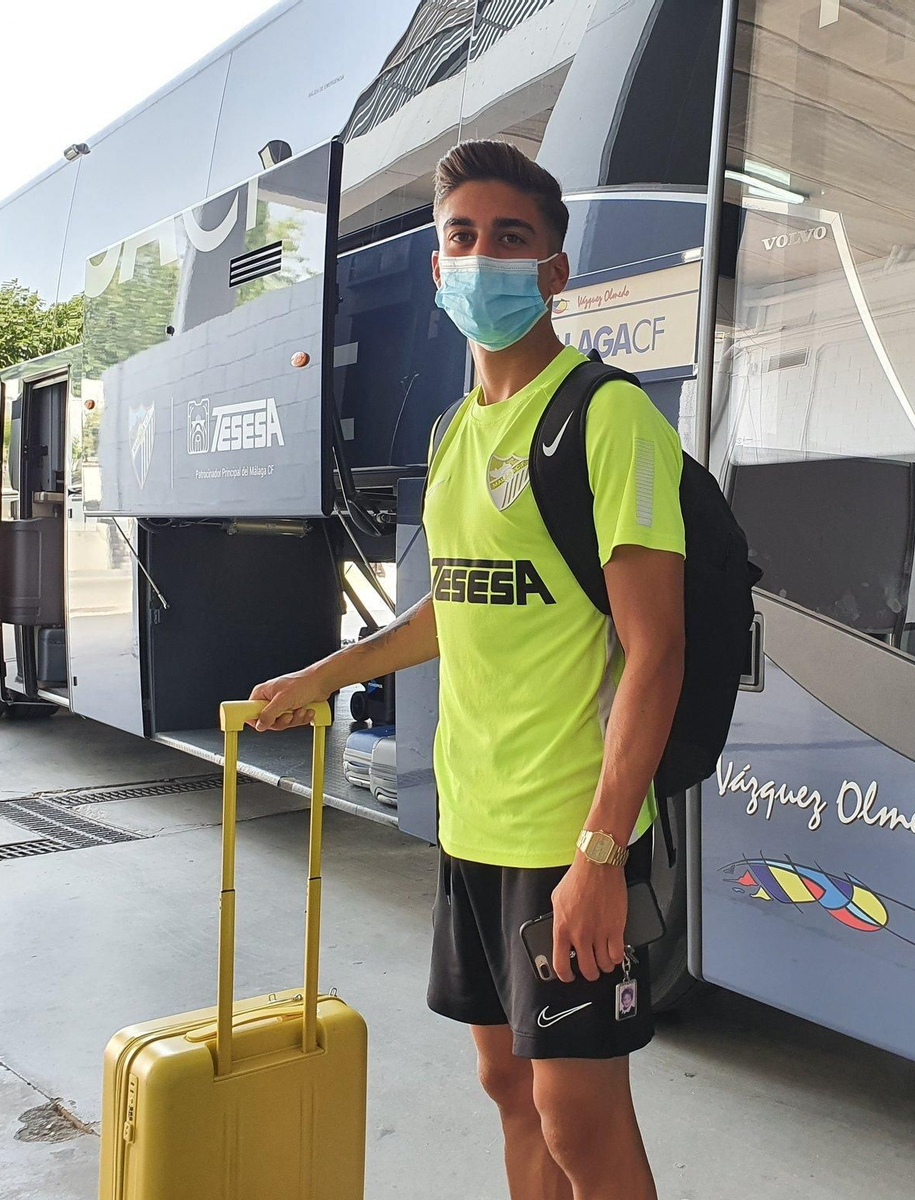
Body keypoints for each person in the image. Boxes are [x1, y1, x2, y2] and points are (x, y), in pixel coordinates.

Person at [248, 140, 684, 1200]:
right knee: (503, 1082)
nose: (480, 257)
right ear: (438, 263)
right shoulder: (456, 433)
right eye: (461, 237)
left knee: (578, 1114)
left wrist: (598, 855)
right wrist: (325, 671)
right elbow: (458, 603)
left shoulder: (606, 416)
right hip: (472, 821)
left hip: (564, 832)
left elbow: (656, 648)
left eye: (510, 238)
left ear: (554, 271)